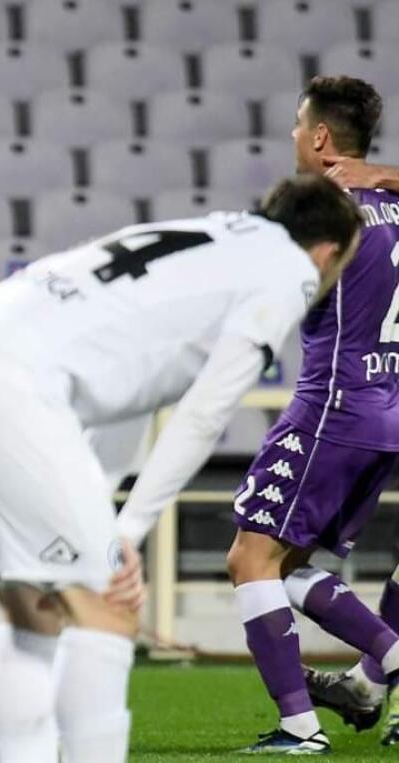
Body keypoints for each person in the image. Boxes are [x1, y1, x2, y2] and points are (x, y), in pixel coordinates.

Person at [0, 174, 361, 761]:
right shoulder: (288, 271)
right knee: (108, 605)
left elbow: (124, 387)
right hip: (9, 390)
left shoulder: (211, 232)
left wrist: (100, 501)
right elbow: (203, 416)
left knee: (31, 615)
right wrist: (126, 531)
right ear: (327, 252)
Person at [188, 76, 399, 753]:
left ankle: (304, 725)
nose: (289, 137)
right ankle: (368, 675)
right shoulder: (393, 204)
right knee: (283, 563)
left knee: (251, 557)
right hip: (386, 407)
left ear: (317, 137)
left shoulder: (320, 213)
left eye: (295, 126)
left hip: (329, 408)